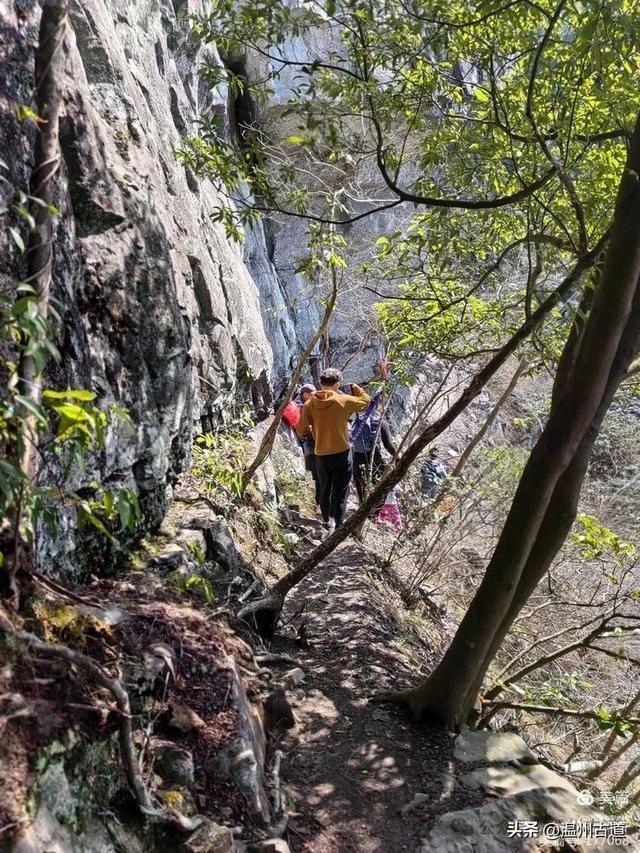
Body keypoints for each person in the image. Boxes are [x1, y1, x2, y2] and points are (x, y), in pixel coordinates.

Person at [296, 367, 370, 531]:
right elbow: (367, 403)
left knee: (324, 488)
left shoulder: (309, 404)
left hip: (321, 454)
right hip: (342, 453)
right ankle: (339, 524)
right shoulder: (343, 400)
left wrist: (312, 433)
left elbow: (300, 429)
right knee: (341, 490)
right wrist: (358, 389)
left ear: (320, 384)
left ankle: (325, 522)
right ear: (337, 384)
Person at [351, 404, 397, 511]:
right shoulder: (381, 423)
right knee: (379, 490)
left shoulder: (355, 422)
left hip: (357, 459)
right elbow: (388, 445)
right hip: (375, 459)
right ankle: (374, 515)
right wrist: (398, 457)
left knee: (361, 489)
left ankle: (362, 511)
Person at [296, 383, 320, 508]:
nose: (315, 396)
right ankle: (317, 503)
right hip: (310, 445)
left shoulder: (306, 406)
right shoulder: (302, 407)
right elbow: (302, 429)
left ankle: (319, 503)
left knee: (318, 475)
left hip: (312, 444)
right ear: (305, 394)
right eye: (313, 394)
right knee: (316, 475)